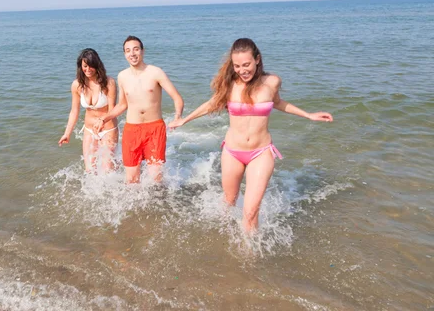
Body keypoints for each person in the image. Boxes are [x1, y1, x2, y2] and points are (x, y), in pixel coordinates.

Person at [168, 38, 333, 233]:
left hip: (261, 152)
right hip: (232, 152)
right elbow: (212, 103)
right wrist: (184, 120)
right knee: (229, 202)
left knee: (250, 212)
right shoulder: (230, 85)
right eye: (237, 66)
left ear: (257, 60)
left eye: (246, 64)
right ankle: (224, 241)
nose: (242, 70)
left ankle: (250, 256)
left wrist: (308, 115)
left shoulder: (272, 81)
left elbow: (278, 103)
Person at [93, 36, 184, 184]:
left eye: (136, 49)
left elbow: (177, 98)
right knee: (131, 180)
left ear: (142, 51)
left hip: (154, 129)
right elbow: (122, 105)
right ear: (124, 54)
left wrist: (178, 116)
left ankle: (156, 205)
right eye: (128, 50)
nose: (132, 54)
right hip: (132, 130)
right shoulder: (122, 76)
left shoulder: (155, 72)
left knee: (155, 179)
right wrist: (104, 118)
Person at [59, 48, 119, 172]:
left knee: (107, 169)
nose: (87, 69)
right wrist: (67, 133)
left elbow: (113, 110)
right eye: (85, 66)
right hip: (89, 130)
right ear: (80, 66)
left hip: (108, 129)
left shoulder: (109, 83)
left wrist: (102, 120)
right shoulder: (77, 85)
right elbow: (74, 111)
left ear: (97, 65)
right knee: (90, 169)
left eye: (91, 66)